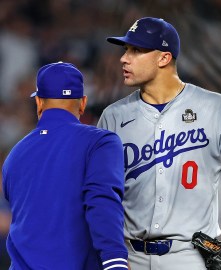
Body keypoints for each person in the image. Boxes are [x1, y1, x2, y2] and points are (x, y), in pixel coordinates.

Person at [97, 17, 221, 269]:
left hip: (192, 256)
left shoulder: (216, 108)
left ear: (164, 58)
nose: (124, 58)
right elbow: (103, 195)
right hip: (129, 255)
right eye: (126, 50)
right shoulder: (113, 116)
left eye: (136, 50)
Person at [2, 62, 129, 270]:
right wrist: (115, 261)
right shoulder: (99, 142)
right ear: (83, 103)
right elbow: (102, 202)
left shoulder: (14, 154)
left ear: (39, 103)